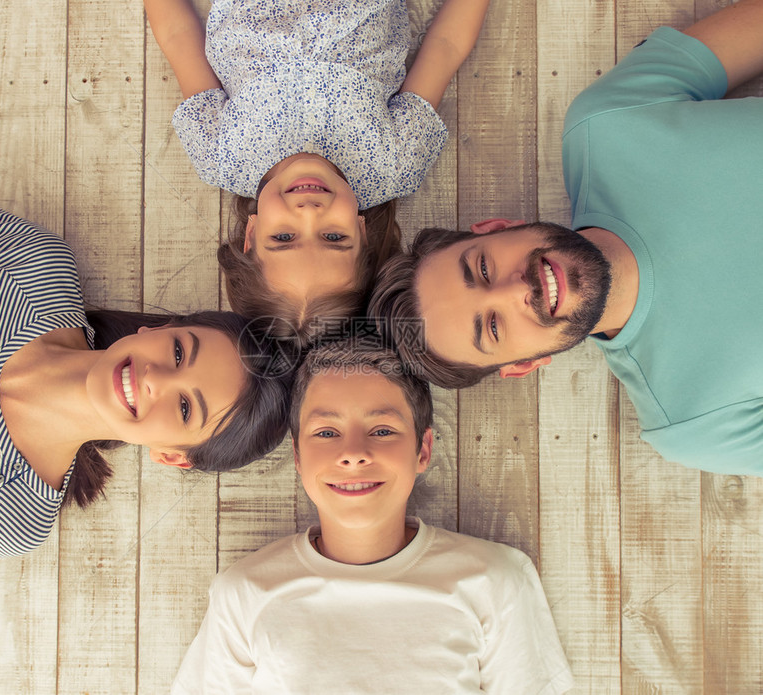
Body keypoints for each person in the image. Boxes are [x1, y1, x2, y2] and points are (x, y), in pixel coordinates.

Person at [369, 0, 763, 475]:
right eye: (493, 327)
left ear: (496, 227)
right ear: (522, 366)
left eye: (483, 269)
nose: (518, 290)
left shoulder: (608, 121)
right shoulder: (696, 423)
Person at [0, 180, 291, 560]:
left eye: (186, 408)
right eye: (177, 353)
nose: (155, 379)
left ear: (172, 456)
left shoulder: (11, 514)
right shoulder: (35, 268)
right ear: (161, 328)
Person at [171, 340, 574, 694]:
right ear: (297, 456)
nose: (353, 453)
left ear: (423, 450)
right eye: (327, 433)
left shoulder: (497, 579)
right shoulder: (243, 594)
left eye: (382, 430)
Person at [145, 0, 491, 343]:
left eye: (283, 238)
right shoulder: (394, 162)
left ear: (250, 236)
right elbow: (445, 47)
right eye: (334, 237)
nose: (309, 213)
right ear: (362, 232)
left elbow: (178, 36)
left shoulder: (220, 156)